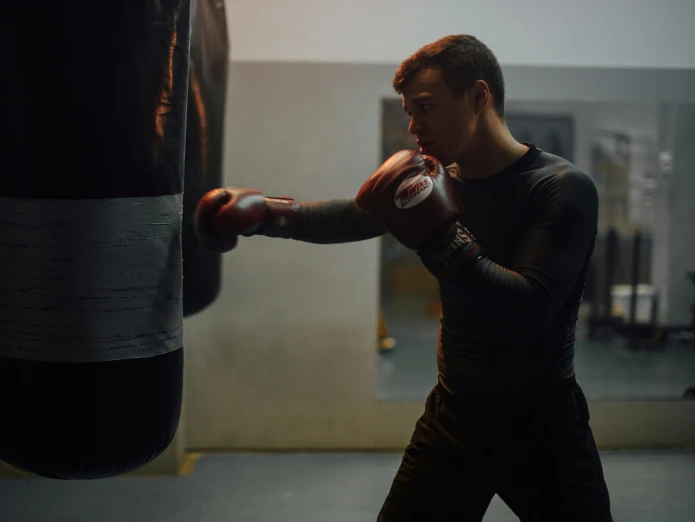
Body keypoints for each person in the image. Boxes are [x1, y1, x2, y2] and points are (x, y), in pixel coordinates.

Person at [194, 34, 613, 522]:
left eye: (425, 108)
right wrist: (268, 214)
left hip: (544, 427)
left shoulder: (561, 189)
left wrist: (440, 239)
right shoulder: (441, 182)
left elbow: (527, 309)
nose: (413, 126)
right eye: (409, 111)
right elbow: (355, 216)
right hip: (455, 420)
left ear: (478, 97)